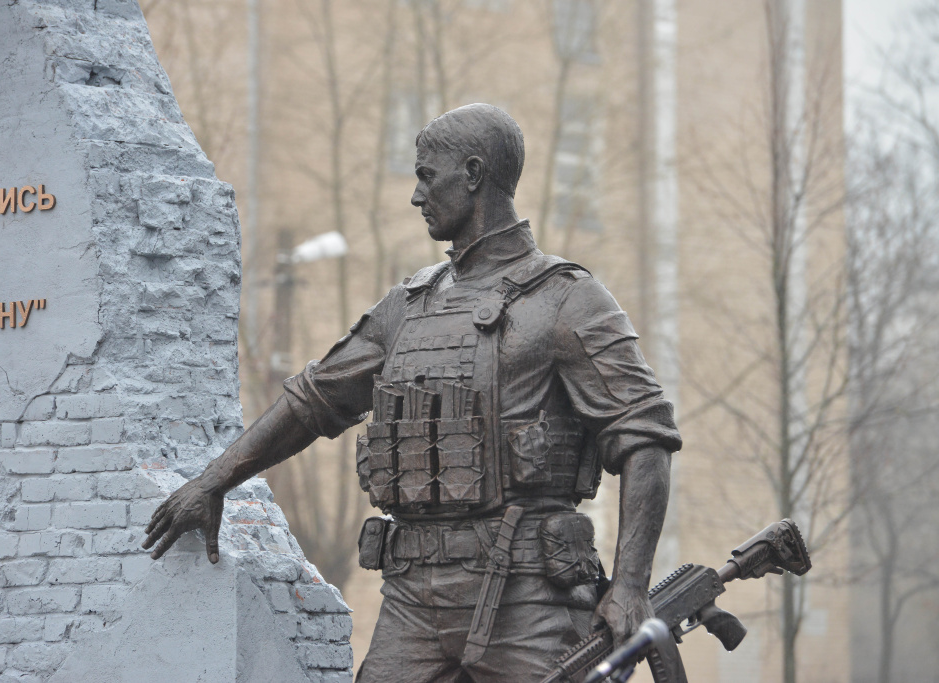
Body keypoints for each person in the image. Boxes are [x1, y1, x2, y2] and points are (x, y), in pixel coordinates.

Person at [143, 103, 681, 682]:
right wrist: (212, 482)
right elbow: (314, 400)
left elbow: (644, 436)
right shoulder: (408, 306)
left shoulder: (568, 299)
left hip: (529, 599)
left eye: (427, 176)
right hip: (413, 604)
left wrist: (630, 585)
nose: (416, 195)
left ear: (472, 175)